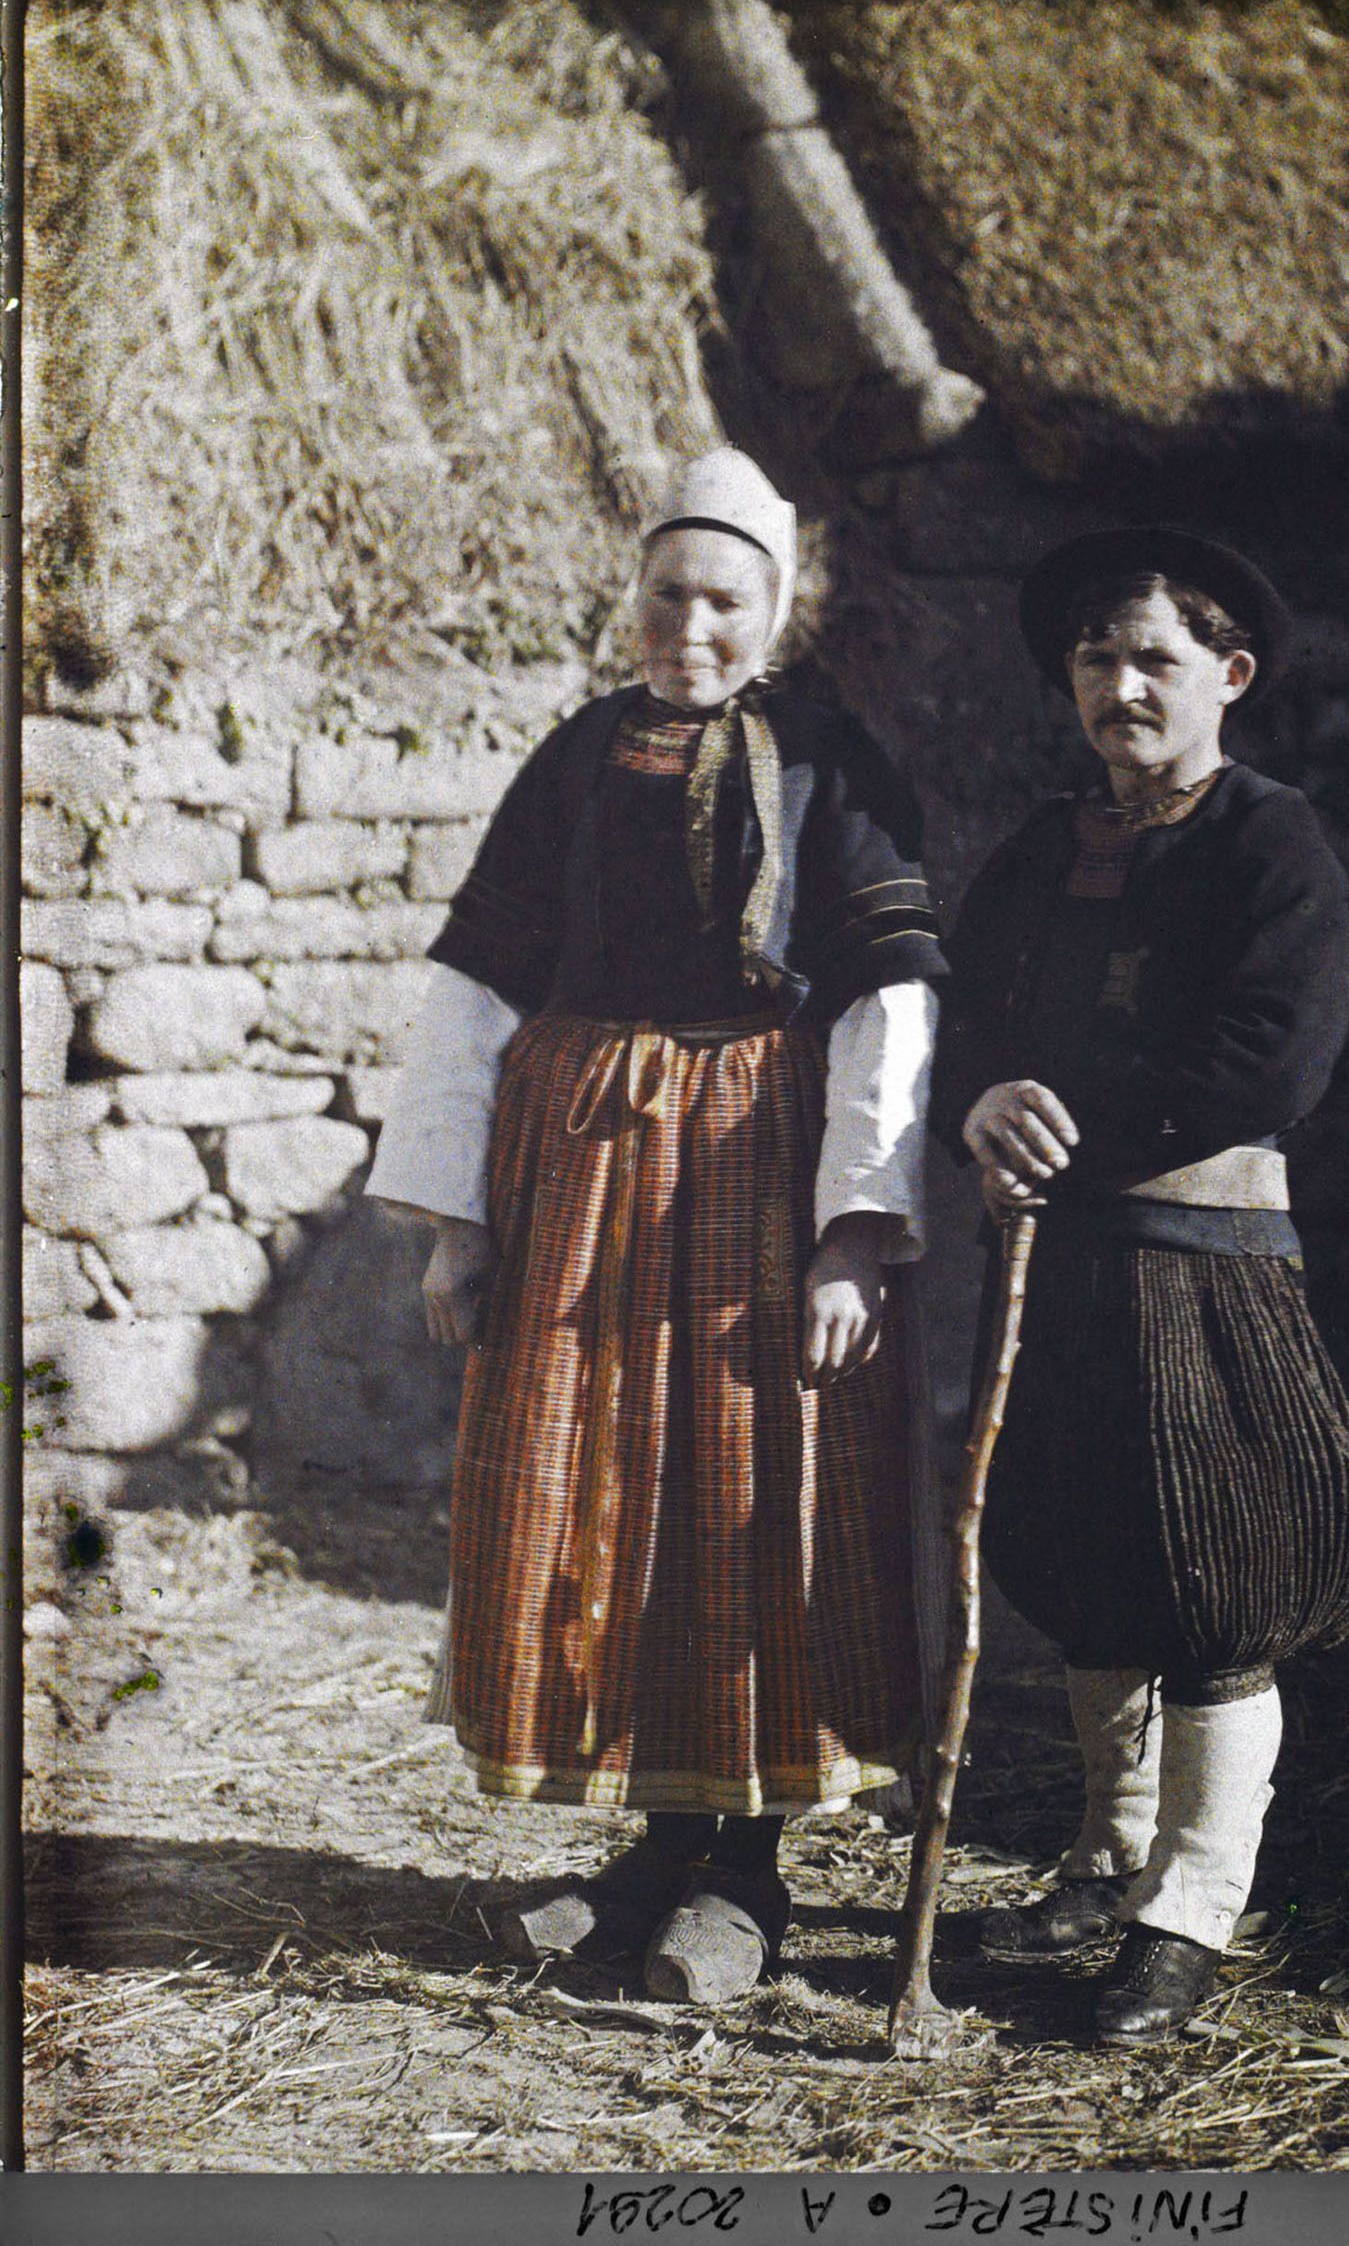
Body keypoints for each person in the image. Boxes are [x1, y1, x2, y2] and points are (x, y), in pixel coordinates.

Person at [367, 448, 948, 2007]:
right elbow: (476, 985)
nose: (689, 626)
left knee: (744, 1498)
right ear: (632, 600)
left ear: (777, 612)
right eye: (666, 594)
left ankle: (739, 1872)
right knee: (600, 1495)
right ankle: (640, 1854)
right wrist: (455, 1222)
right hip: (581, 1190)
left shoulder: (829, 759)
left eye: (723, 600)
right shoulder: (572, 756)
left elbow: (887, 993)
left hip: (754, 1183)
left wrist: (852, 1230)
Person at [932, 527, 1349, 2045]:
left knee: (1212, 1574)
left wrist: (1084, 1132)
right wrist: (982, 1111)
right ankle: (1104, 1857)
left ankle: (1191, 1906)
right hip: (1055, 1267)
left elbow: (1273, 1059)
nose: (1118, 687)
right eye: (1093, 659)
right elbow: (961, 1024)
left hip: (1201, 1262)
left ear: (1227, 678)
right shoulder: (1039, 854)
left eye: (1153, 662)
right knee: (1080, 1559)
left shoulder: (1273, 848)